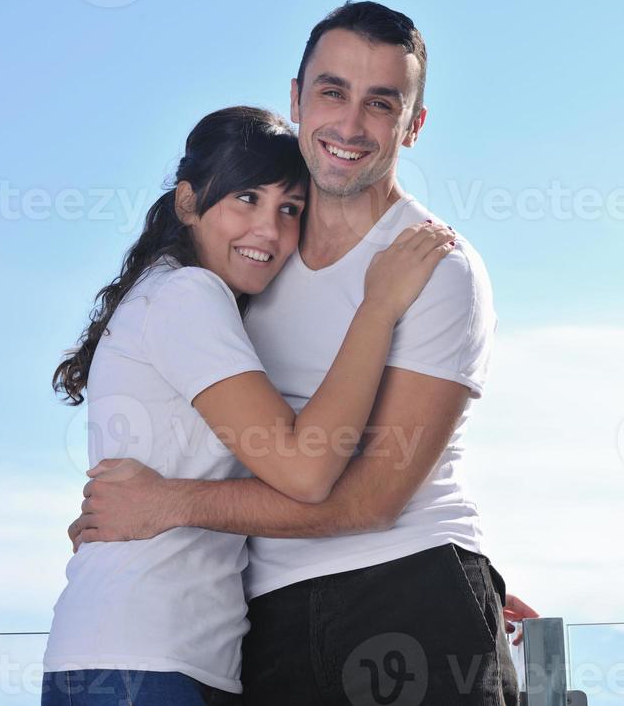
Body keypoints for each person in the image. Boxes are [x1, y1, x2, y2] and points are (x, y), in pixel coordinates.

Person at [71, 2, 535, 705]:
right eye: (332, 92)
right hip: (263, 624)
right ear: (295, 99)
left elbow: (374, 502)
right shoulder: (254, 257)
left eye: (381, 104)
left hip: (409, 587)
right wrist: (123, 512)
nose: (350, 126)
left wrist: (170, 504)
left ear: (413, 125)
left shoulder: (436, 266)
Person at [42, 104, 456, 706]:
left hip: (151, 654)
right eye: (246, 200)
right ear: (188, 203)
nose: (269, 229)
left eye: (289, 208)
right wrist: (379, 307)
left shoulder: (174, 294)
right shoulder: (187, 294)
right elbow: (307, 469)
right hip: (144, 659)